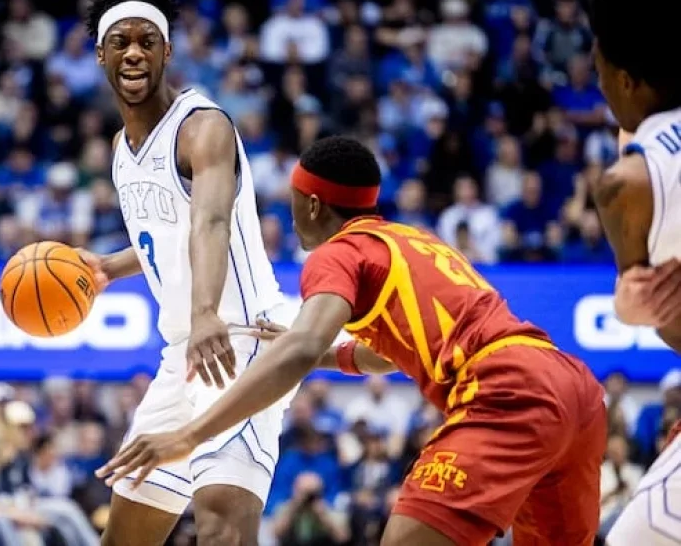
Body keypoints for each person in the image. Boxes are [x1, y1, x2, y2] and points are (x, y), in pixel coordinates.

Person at [98, 135, 608, 546]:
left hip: (507, 392)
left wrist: (187, 436)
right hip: (572, 388)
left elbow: (296, 352)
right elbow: (392, 350)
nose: (289, 212)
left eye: (294, 202)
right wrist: (327, 353)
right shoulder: (413, 238)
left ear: (314, 205)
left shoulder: (338, 253)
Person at [76, 0, 304, 546]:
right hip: (183, 354)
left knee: (221, 525)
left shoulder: (203, 127)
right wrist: (107, 267)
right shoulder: (120, 151)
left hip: (242, 341)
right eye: (121, 42)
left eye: (148, 41)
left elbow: (210, 221)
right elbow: (169, 235)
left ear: (167, 52)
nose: (134, 52)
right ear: (101, 54)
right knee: (125, 535)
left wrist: (207, 312)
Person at [588, 0, 681, 545]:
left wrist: (635, 308)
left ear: (625, 80)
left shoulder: (628, 183)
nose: (595, 83)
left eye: (598, 71)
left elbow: (670, 328)